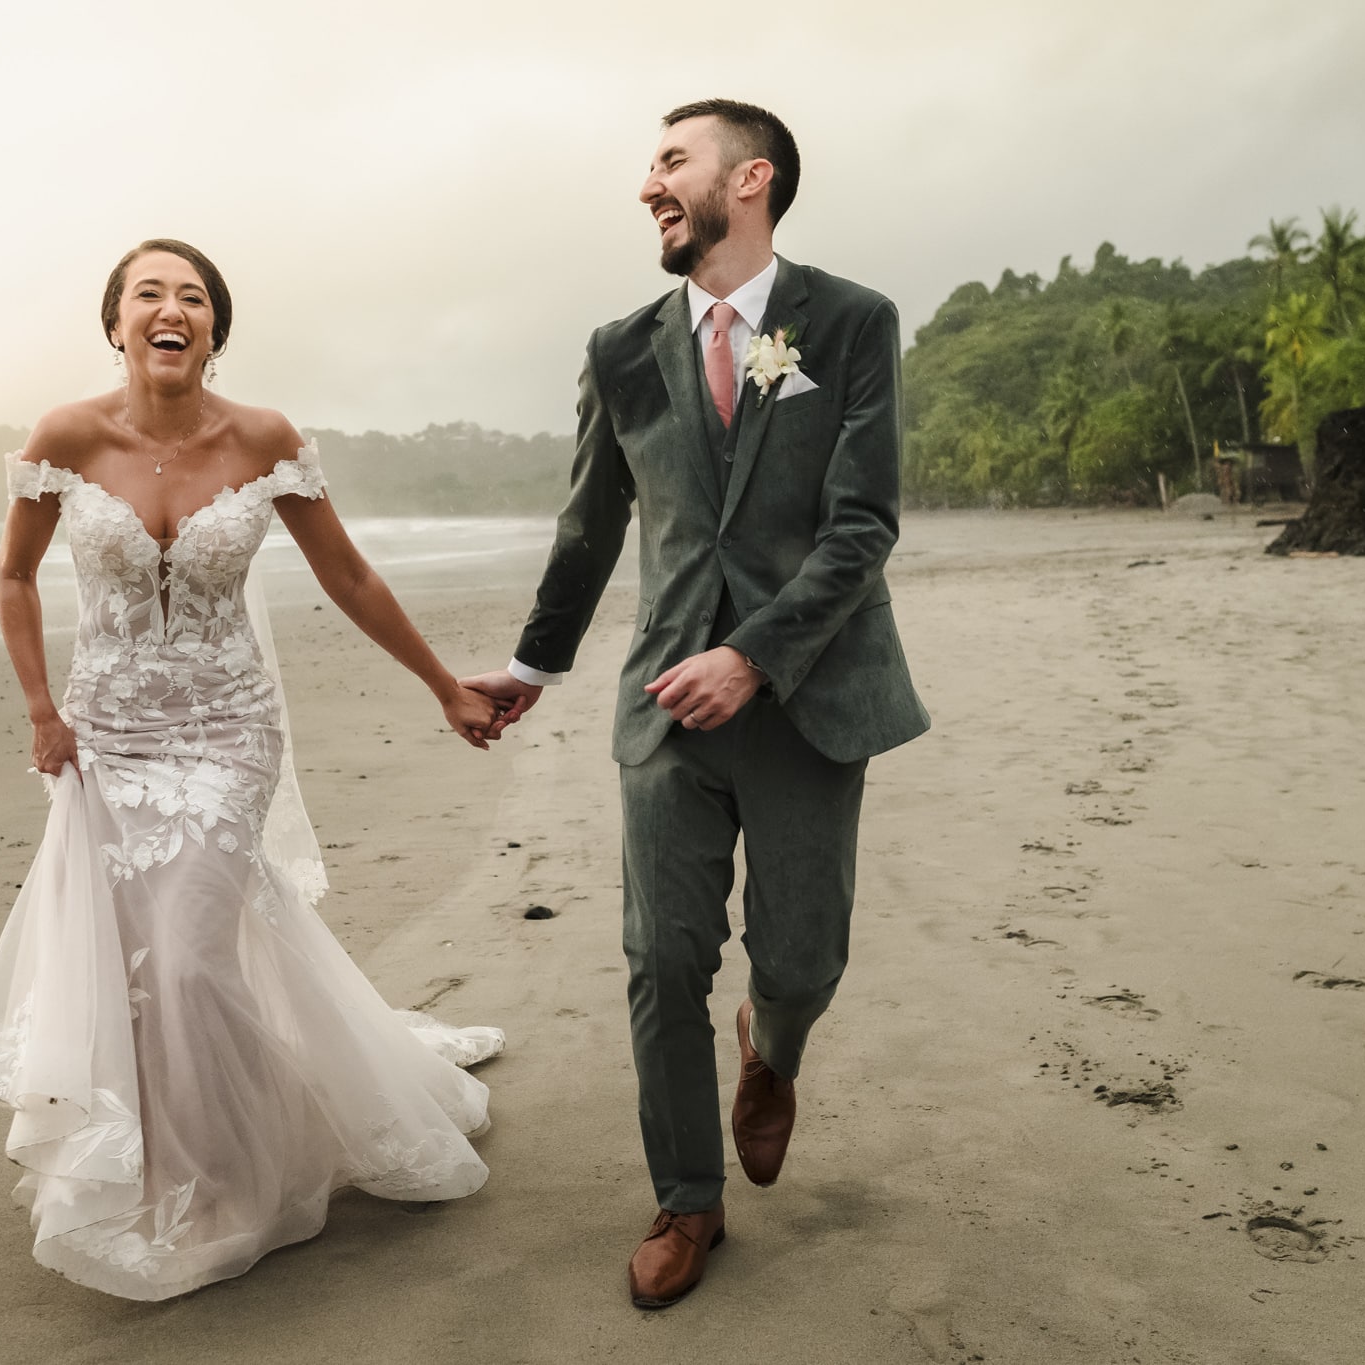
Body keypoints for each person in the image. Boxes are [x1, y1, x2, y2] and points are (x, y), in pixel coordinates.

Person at [0, 238, 507, 1301]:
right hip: (104, 735)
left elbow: (345, 572)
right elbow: (14, 576)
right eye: (148, 293)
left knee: (193, 957)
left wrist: (439, 683)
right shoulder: (65, 437)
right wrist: (38, 710)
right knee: (138, 967)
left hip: (225, 732)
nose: (171, 308)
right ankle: (157, 1159)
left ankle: (237, 1178)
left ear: (213, 329)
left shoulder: (264, 438)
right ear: (116, 325)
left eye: (192, 296)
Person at [464, 100, 929, 1309]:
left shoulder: (854, 322)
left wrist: (755, 658)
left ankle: (770, 1053)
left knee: (801, 956)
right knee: (658, 958)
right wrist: (530, 666)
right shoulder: (620, 348)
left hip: (809, 693)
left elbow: (862, 524)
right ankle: (686, 1199)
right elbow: (588, 525)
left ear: (751, 179)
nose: (647, 186)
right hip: (664, 703)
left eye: (670, 162)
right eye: (648, 166)